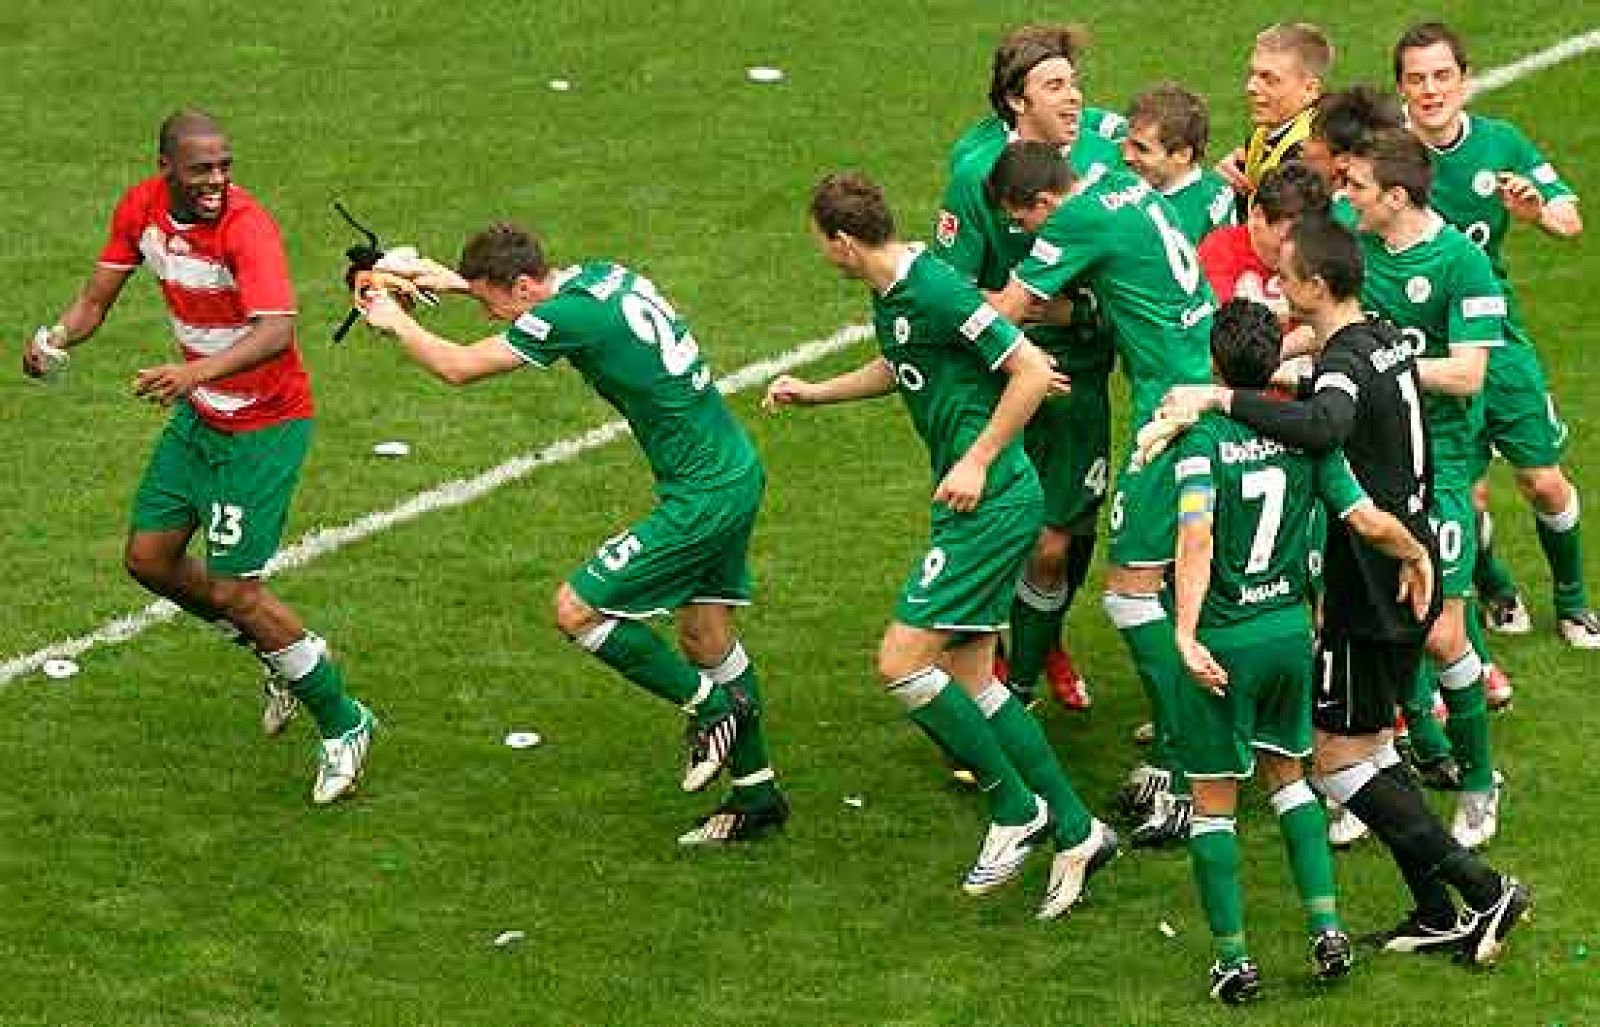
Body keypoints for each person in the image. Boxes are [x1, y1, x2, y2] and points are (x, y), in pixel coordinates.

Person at [1161, 215, 1530, 967]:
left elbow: (1328, 421)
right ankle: (1433, 909)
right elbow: (1341, 401)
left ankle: (1486, 889)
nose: (1278, 289)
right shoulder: (1385, 336)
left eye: (1288, 279)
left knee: (1336, 760)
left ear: (1319, 286)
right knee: (1374, 749)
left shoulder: (1341, 366)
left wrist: (1221, 400)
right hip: (1406, 558)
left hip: (1373, 583)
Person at [356, 223, 784, 844]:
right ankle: (758, 795)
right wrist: (441, 280)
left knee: (577, 610)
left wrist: (394, 320)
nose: (487, 312)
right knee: (706, 634)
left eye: (488, 300)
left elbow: (458, 367)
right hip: (733, 469)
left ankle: (714, 708)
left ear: (526, 285)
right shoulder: (600, 275)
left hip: (703, 496)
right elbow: (528, 303)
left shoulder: (562, 320)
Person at [767, 172, 1116, 915]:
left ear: (844, 240)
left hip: (989, 503)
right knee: (970, 677)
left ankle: (1015, 810)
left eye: (821, 244)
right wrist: (816, 391)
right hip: (972, 504)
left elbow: (1026, 367)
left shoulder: (936, 287)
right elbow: (905, 364)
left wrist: (978, 456)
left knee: (901, 661)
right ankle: (1081, 831)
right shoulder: (896, 295)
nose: (822, 256)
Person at [21, 110, 373, 804]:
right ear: (166, 168)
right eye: (202, 170)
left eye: (225, 167)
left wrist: (192, 374)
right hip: (204, 419)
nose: (217, 181)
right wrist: (54, 337)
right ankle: (278, 653)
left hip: (264, 424)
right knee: (148, 559)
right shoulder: (140, 208)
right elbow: (98, 297)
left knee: (236, 588)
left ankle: (344, 717)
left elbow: (276, 331)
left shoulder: (247, 228)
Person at [1166, 298, 1436, 1001]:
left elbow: (1195, 537)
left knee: (1214, 801)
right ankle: (1327, 929)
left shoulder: (1203, 441)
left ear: (1216, 364)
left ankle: (1233, 959)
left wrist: (1185, 632)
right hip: (1289, 634)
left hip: (1225, 640)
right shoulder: (1308, 440)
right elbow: (1367, 517)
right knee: (1290, 781)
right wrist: (1414, 552)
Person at [986, 140, 1216, 846]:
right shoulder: (1121, 183)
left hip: (1171, 407)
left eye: (1025, 224)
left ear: (1044, 203)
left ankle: (1184, 769)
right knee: (1195, 578)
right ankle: (1190, 752)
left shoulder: (1074, 218)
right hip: (1210, 377)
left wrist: (921, 285)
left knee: (1130, 592)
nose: (1028, 235)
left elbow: (1008, 309)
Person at [1395, 21, 1597, 654]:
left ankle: (1573, 601)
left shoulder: (1501, 143)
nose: (1430, 91)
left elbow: (1571, 221)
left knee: (1542, 478)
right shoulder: (1390, 160)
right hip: (1428, 352)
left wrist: (1536, 212)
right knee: (1467, 493)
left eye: (1442, 76)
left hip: (1497, 340)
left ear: (1465, 80)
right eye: (1416, 79)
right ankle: (1496, 586)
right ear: (1400, 87)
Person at [934, 23, 1117, 711]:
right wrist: (1026, 331)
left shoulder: (1106, 155)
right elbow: (946, 292)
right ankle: (1016, 679)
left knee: (1058, 541)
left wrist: (1073, 317)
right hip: (1003, 377)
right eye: (1056, 86)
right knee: (1008, 530)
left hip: (1085, 378)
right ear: (1016, 101)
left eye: (1074, 83)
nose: (1076, 98)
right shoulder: (974, 174)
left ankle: (1037, 650)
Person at [1343, 132, 1505, 847]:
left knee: (1440, 631)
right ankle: (1363, 775)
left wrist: (1387, 364)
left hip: (1437, 464)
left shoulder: (1463, 265)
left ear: (1397, 198)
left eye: (1359, 189)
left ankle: (1477, 781)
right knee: (1355, 619)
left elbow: (1469, 374)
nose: (1347, 198)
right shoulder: (1356, 248)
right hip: (1367, 456)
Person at [1216, 23, 1334, 210]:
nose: (1251, 87)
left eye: (1268, 79)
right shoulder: (1268, 133)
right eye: (1252, 74)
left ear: (1310, 89)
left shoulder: (1307, 154)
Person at [1123, 83, 1237, 246]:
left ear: (1183, 155)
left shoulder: (1175, 223)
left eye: (1141, 148)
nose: (1126, 157)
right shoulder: (1215, 185)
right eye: (1126, 143)